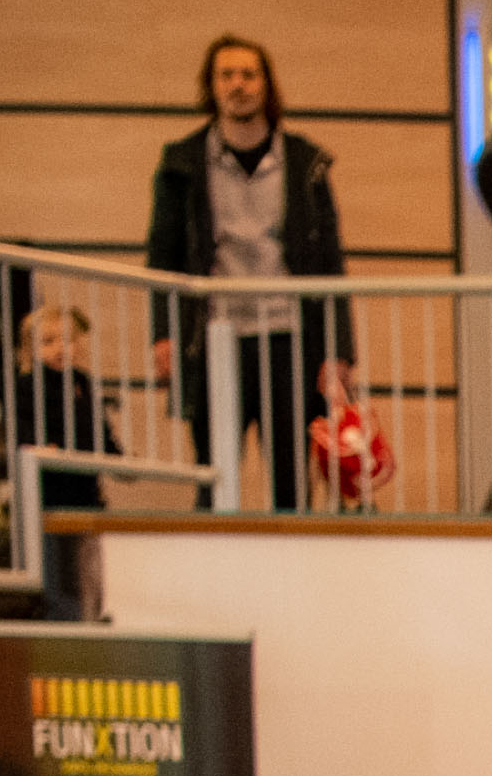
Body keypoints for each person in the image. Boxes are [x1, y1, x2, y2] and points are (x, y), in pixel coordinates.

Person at [146, 36, 356, 517]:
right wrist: (164, 334)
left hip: (289, 336)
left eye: (248, 74)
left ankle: (294, 579)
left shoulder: (306, 163)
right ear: (211, 86)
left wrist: (339, 351)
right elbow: (163, 254)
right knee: (214, 473)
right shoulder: (181, 162)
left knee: (290, 479)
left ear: (266, 84)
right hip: (213, 337)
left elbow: (331, 262)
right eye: (226, 75)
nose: (238, 85)